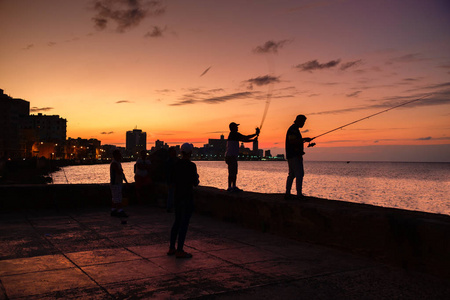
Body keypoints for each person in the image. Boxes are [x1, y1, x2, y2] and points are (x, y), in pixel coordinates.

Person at [167, 143, 199, 258]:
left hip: (177, 196)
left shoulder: (175, 165)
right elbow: (195, 183)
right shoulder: (191, 166)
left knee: (177, 222)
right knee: (184, 223)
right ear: (190, 152)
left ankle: (172, 248)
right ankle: (180, 249)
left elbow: (171, 181)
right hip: (187, 196)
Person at [225, 122, 260, 192]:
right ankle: (231, 187)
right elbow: (245, 138)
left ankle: (232, 186)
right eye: (236, 127)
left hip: (230, 156)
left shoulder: (233, 135)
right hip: (231, 156)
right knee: (232, 172)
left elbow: (244, 139)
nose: (238, 128)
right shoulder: (234, 134)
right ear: (233, 128)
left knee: (233, 172)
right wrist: (255, 135)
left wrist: (253, 138)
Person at [285, 115, 312, 200]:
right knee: (299, 174)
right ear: (298, 121)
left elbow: (295, 141)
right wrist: (304, 139)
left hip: (292, 155)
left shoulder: (294, 129)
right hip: (294, 155)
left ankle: (288, 193)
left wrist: (304, 140)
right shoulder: (293, 130)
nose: (303, 124)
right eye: (303, 122)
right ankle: (299, 194)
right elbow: (292, 141)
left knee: (292, 174)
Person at [110, 149, 128, 217]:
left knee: (115, 198)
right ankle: (120, 211)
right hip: (115, 183)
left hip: (117, 182)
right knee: (118, 197)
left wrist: (126, 181)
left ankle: (113, 210)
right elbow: (119, 172)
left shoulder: (117, 163)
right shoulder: (114, 163)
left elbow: (121, 174)